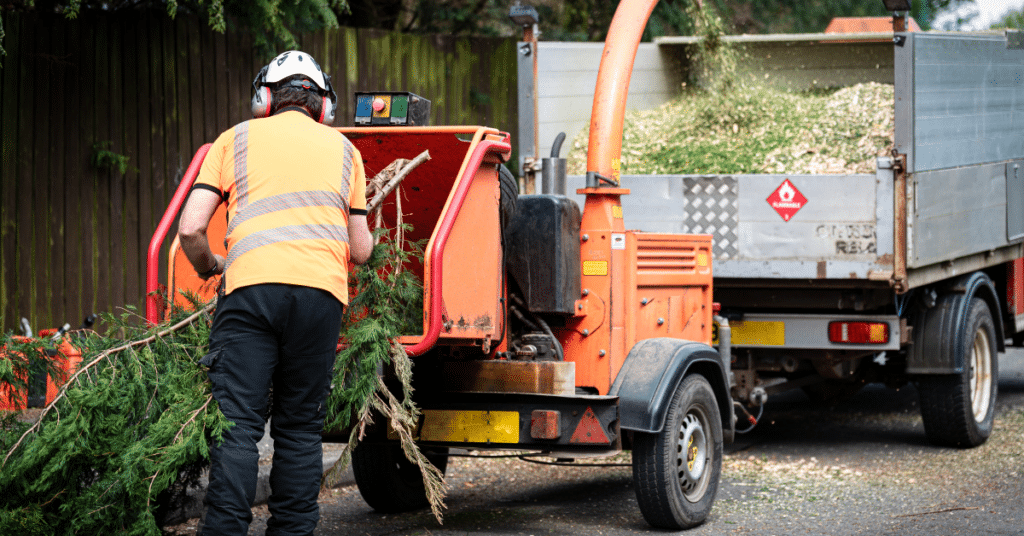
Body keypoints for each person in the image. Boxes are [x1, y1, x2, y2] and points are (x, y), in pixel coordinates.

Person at [177, 50, 372, 536]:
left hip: (249, 294)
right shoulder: (346, 151)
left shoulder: (233, 139)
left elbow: (190, 228)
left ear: (264, 98)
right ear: (323, 105)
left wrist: (213, 267)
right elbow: (363, 250)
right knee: (300, 429)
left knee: (238, 424)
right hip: (320, 299)